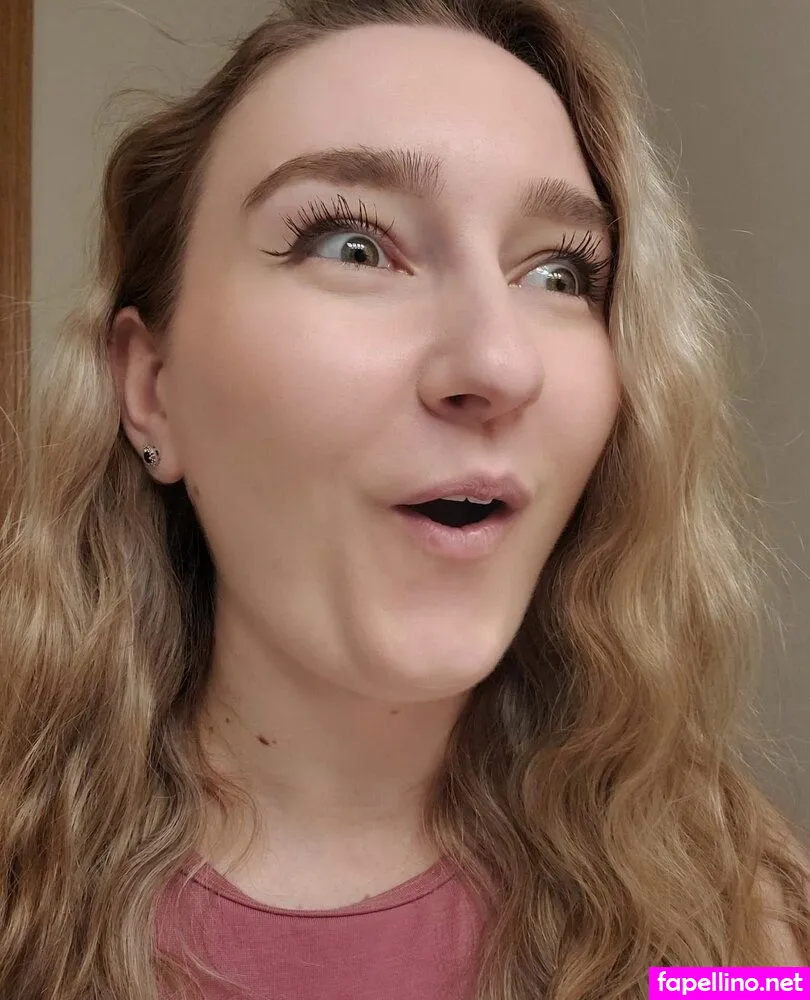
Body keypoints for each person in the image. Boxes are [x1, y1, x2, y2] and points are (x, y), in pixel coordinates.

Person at [1, 0, 808, 997]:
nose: (499, 362)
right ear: (150, 388)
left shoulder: (740, 926)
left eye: (560, 273)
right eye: (351, 245)